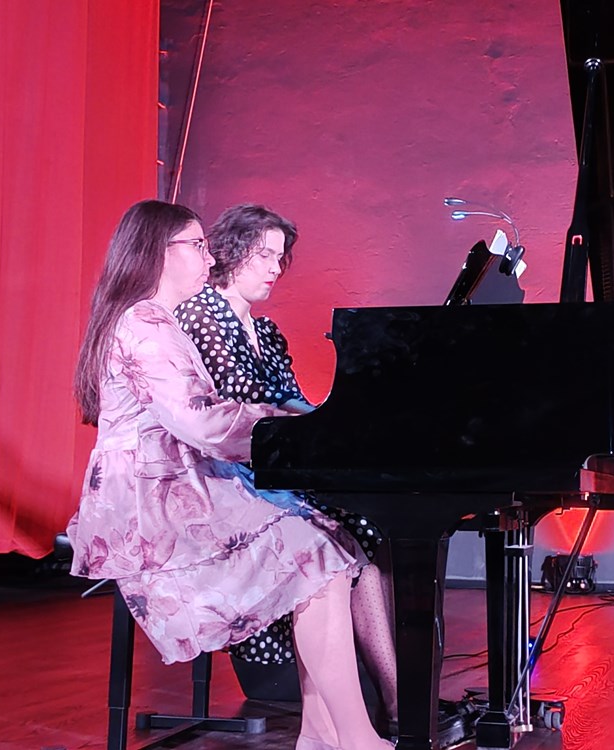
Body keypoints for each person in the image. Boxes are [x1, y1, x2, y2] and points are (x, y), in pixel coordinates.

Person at [67, 199, 392, 750]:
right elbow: (201, 421)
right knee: (318, 555)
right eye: (196, 245)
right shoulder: (145, 324)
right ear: (158, 252)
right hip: (151, 504)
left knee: (327, 546)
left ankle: (321, 733)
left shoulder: (154, 320)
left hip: (177, 484)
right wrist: (279, 425)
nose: (208, 256)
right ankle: (354, 737)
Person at [173, 204, 399, 730]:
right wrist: (319, 422)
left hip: (269, 469)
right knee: (352, 529)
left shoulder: (267, 331)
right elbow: (239, 406)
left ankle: (393, 693)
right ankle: (393, 699)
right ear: (231, 253)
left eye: (280, 258)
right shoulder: (202, 314)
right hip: (221, 474)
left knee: (375, 524)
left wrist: (337, 420)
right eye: (265, 256)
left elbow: (292, 401)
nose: (276, 268)